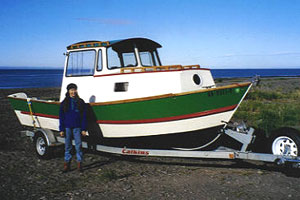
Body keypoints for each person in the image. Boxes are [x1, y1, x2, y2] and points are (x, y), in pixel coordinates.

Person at [59, 83, 87, 173]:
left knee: (78, 146)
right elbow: (61, 117)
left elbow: (84, 116)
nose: (73, 92)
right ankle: (67, 165)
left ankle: (79, 164)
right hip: (67, 127)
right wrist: (61, 129)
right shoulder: (64, 103)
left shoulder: (80, 102)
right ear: (68, 91)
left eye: (74, 90)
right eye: (71, 90)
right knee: (68, 147)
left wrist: (83, 129)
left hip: (77, 127)